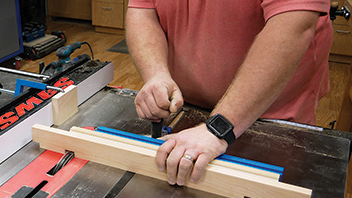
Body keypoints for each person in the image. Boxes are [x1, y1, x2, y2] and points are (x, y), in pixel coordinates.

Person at [126, 1, 333, 187]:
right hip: (188, 108)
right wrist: (157, 74)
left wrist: (220, 127)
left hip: (271, 118)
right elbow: (143, 9)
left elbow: (293, 23)